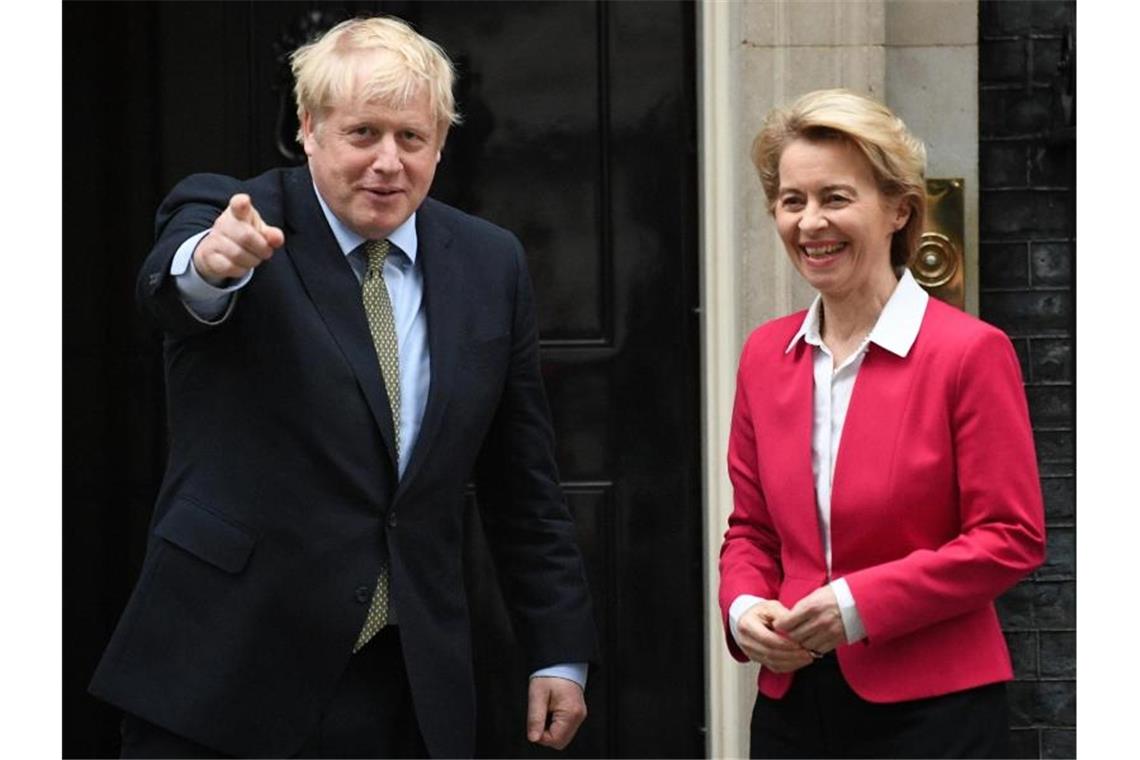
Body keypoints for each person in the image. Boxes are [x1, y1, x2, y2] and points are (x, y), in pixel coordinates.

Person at [89, 16, 598, 759]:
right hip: (226, 673)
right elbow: (174, 286)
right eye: (363, 134)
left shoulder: (492, 265)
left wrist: (558, 649)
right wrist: (212, 263)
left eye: (411, 138)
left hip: (403, 686)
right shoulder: (240, 215)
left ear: (441, 142)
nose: (388, 163)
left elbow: (523, 481)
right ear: (309, 128)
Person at [718, 89, 1046, 759]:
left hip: (935, 712)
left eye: (836, 198)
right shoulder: (763, 356)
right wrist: (744, 608)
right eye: (792, 201)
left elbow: (1010, 537)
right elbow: (751, 530)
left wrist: (857, 604)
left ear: (900, 208)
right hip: (794, 706)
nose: (811, 223)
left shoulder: (969, 353)